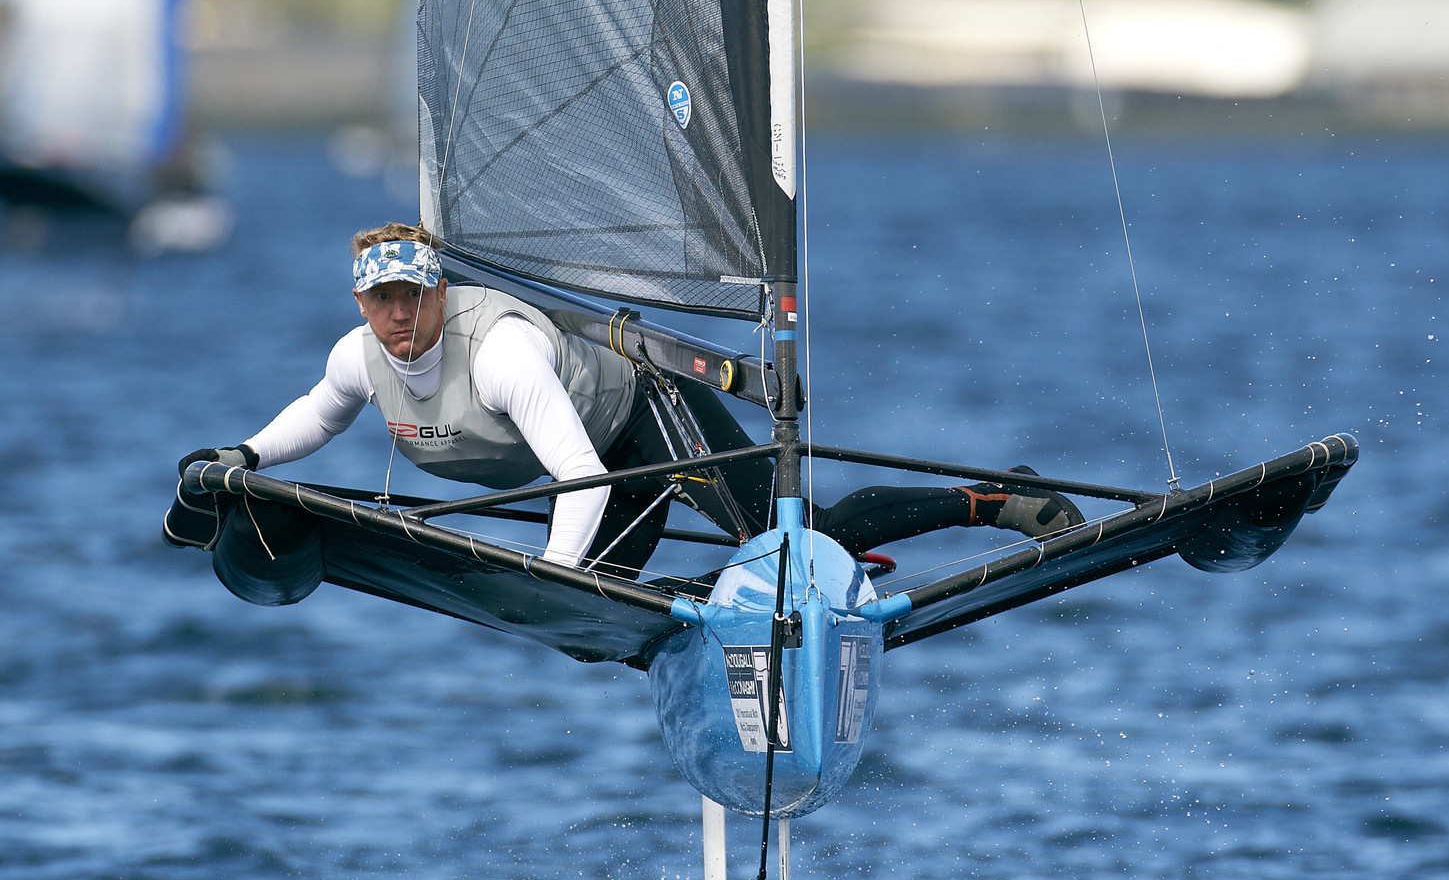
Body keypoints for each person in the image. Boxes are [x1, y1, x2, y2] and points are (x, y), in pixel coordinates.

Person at [177, 221, 1083, 577]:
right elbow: (318, 414)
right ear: (363, 305)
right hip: (611, 472)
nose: (400, 316)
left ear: (440, 292)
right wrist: (247, 458)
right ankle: (762, 578)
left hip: (647, 414)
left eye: (414, 295)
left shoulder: (503, 355)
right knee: (599, 612)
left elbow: (575, 474)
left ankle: (998, 495)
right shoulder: (357, 356)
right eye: (382, 301)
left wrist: (555, 578)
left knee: (787, 539)